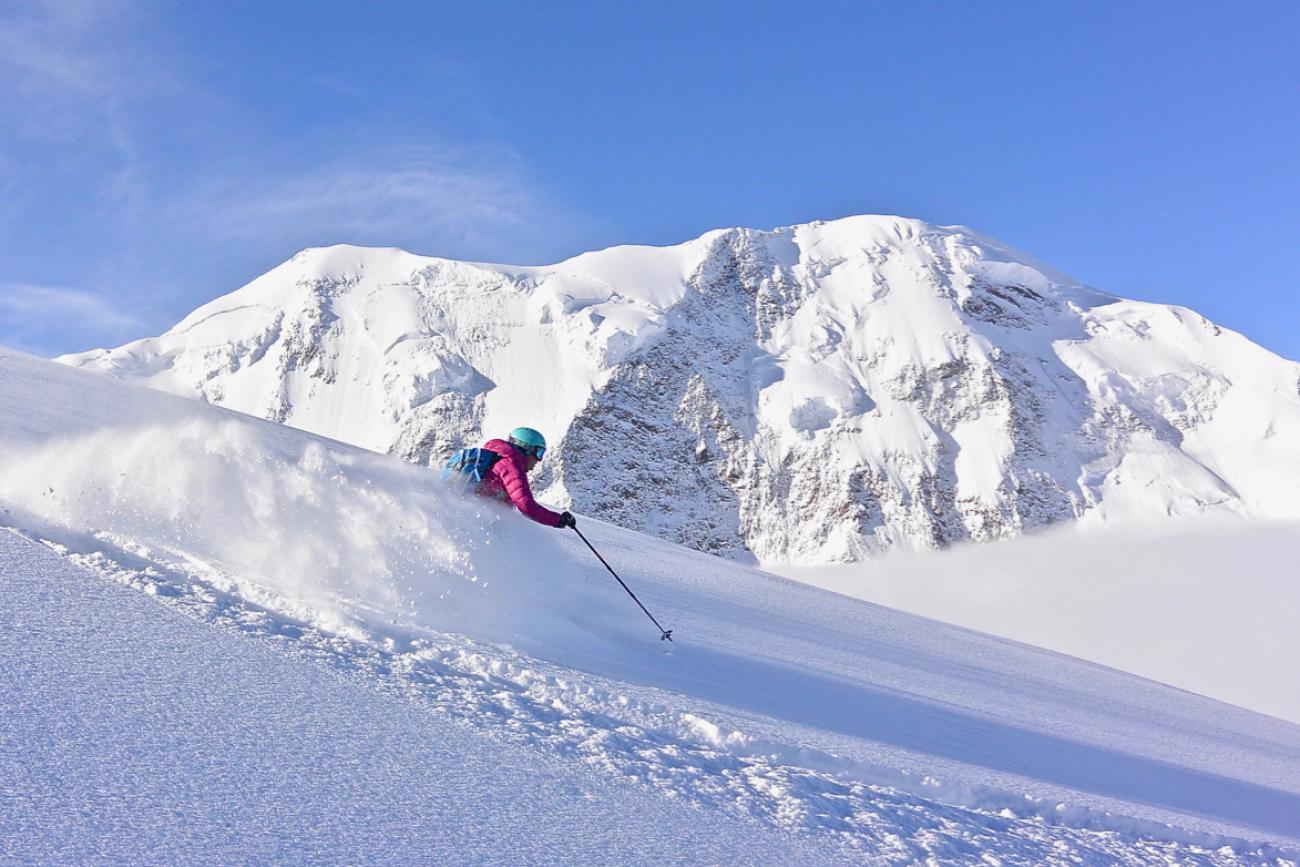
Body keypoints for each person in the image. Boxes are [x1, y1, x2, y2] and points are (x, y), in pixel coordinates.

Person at [476, 427, 576, 529]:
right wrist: (559, 520)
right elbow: (526, 506)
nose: (538, 461)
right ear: (527, 450)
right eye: (539, 453)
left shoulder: (499, 459)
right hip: (480, 519)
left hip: (478, 515)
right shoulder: (511, 465)